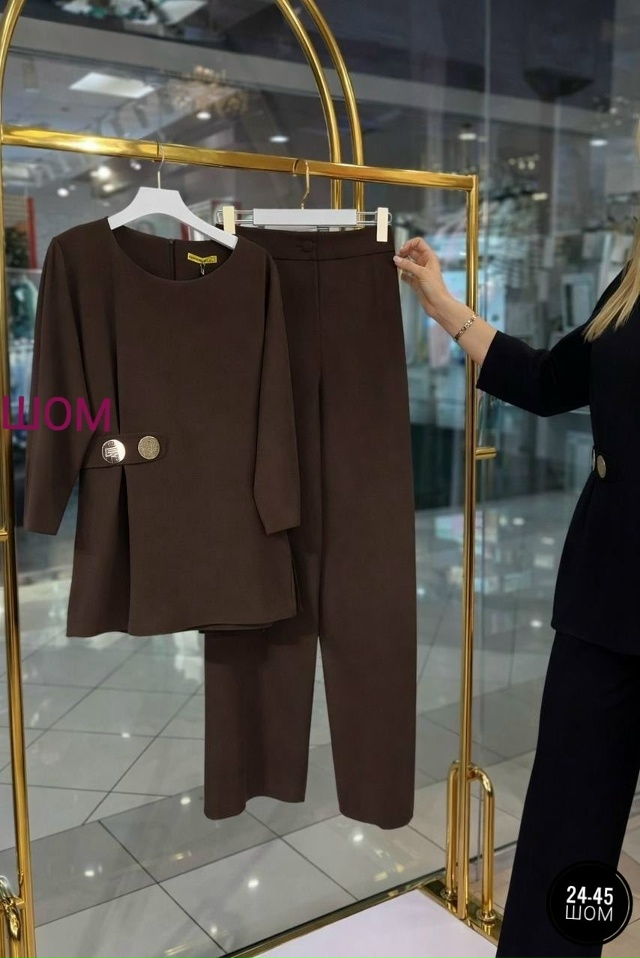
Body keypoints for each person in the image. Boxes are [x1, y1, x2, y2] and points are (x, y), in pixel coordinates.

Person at [393, 232, 640, 958]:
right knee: (566, 835)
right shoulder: (634, 281)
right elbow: (548, 381)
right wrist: (443, 304)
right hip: (606, 598)